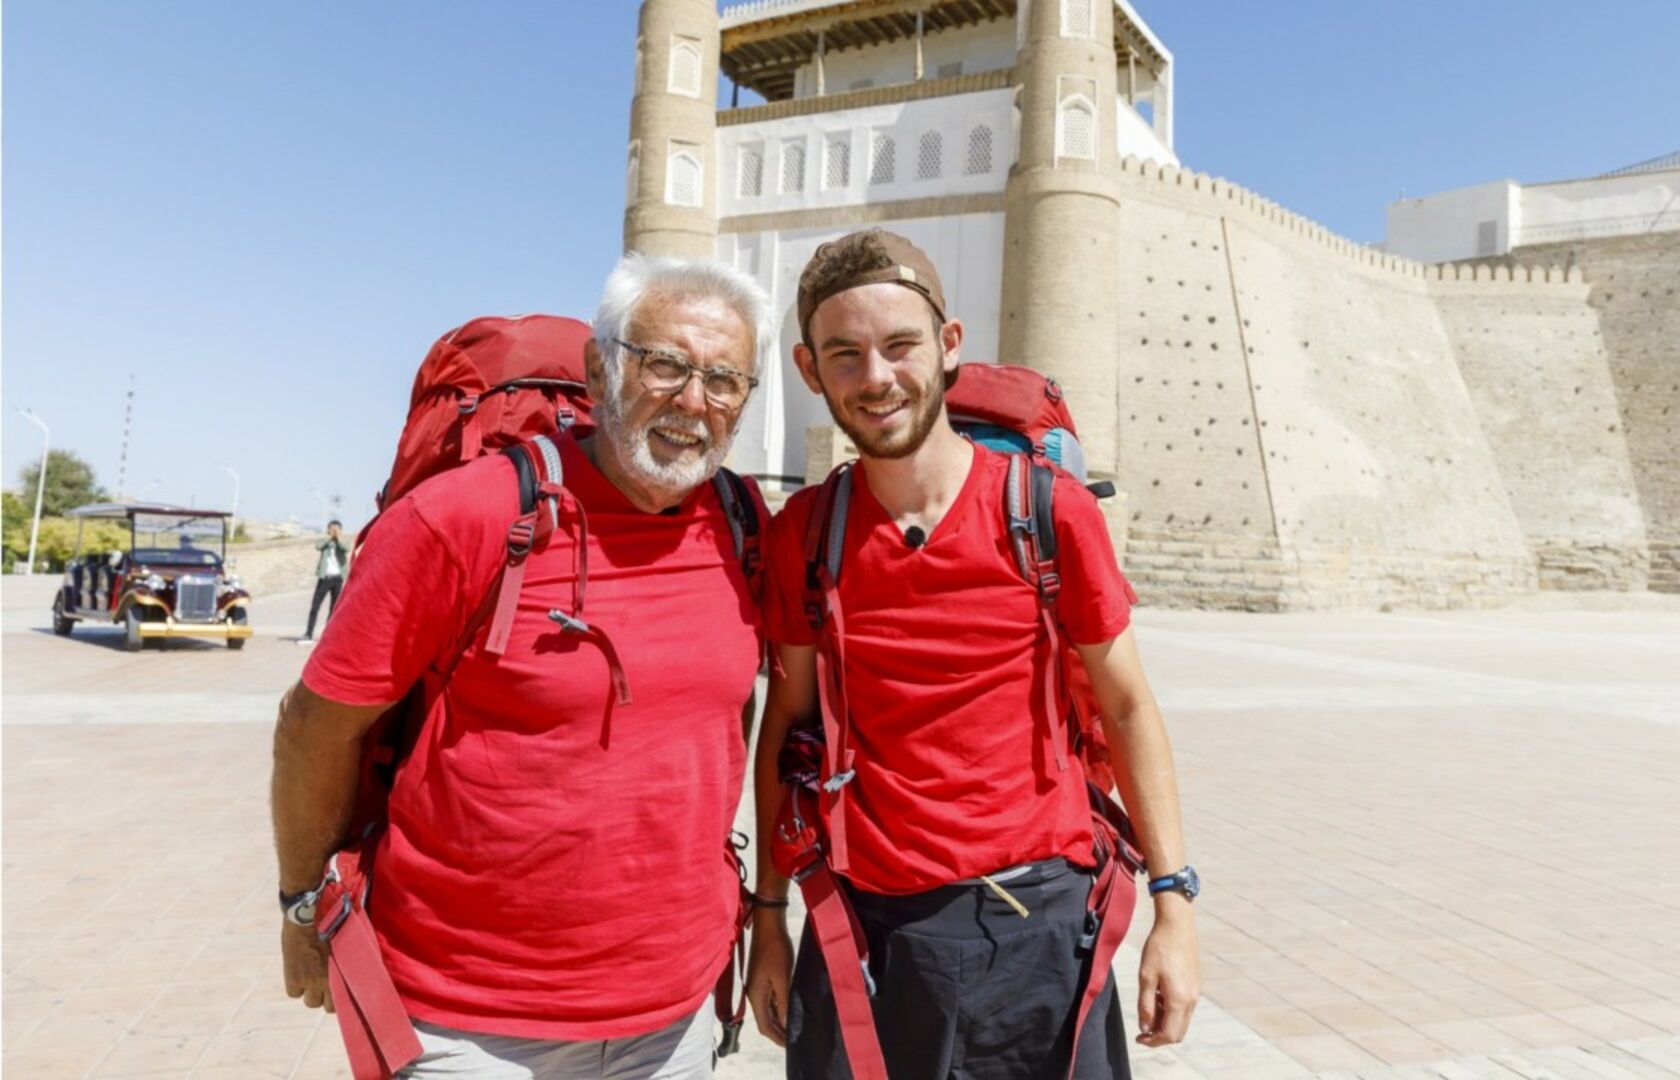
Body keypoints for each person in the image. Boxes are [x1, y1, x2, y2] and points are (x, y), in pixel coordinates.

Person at [270, 254, 773, 1078]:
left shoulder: (744, 526)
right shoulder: (466, 516)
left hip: (674, 1014)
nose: (693, 402)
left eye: (724, 380)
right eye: (666, 364)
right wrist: (302, 905)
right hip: (464, 1020)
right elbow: (311, 728)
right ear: (601, 366)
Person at [744, 230, 1201, 1078]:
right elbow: (790, 729)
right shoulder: (804, 534)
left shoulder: (1047, 510)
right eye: (844, 355)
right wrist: (771, 916)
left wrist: (1175, 907)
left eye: (900, 345)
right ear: (811, 372)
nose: (875, 377)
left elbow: (1128, 705)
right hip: (868, 930)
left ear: (949, 348)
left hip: (1043, 929)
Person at [298, 520, 349, 643]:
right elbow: (318, 546)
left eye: (337, 529)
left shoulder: (343, 542)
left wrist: (337, 538)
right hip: (324, 578)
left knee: (334, 609)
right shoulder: (325, 541)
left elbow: (346, 548)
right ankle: (308, 633)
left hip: (337, 579)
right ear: (328, 530)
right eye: (332, 529)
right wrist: (330, 537)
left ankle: (328, 635)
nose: (334, 531)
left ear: (341, 530)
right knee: (315, 606)